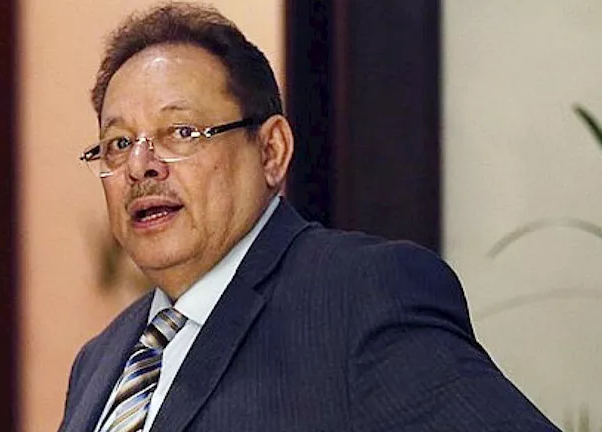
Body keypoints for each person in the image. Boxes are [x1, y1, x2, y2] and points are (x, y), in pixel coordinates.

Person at [59, 2, 559, 431]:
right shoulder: (101, 359)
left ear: (271, 151)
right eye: (118, 143)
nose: (140, 165)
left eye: (181, 132)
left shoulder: (359, 298)